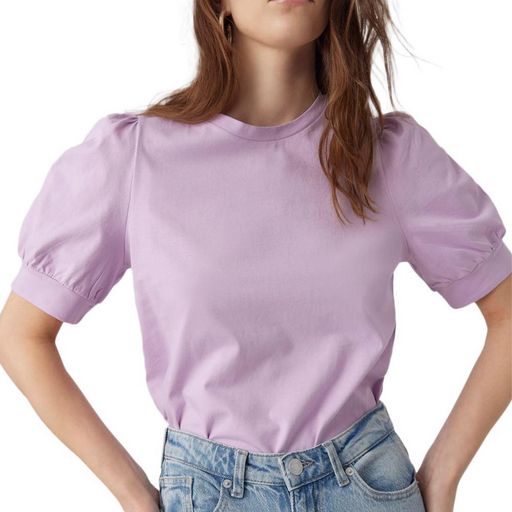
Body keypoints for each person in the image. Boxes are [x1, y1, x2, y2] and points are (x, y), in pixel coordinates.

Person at [1, 1, 510, 511]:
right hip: (209, 492)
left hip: (365, 487)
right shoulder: (133, 159)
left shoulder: (390, 158)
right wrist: (134, 495)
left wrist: (443, 476)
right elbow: (21, 335)